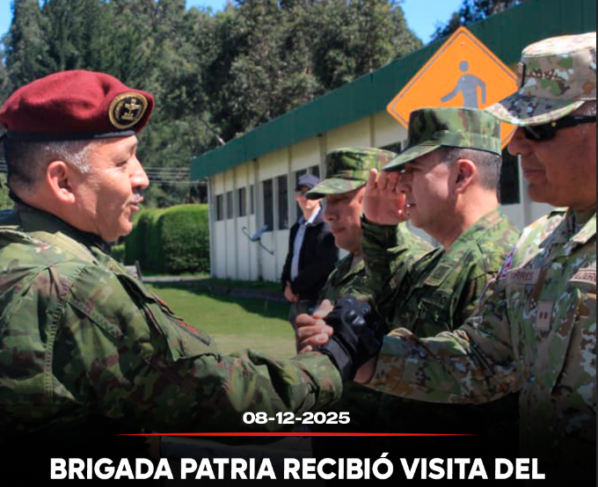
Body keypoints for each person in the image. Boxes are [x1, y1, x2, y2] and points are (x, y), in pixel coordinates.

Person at [0, 70, 347, 460]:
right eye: (122, 162)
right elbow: (227, 404)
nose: (142, 178)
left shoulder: (16, 244)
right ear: (62, 182)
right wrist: (336, 358)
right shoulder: (73, 287)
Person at [307, 32, 597, 481]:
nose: (516, 146)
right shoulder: (540, 243)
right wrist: (365, 353)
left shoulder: (506, 251)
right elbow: (485, 359)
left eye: (541, 127)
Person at [298, 108, 521, 440]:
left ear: (461, 176)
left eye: (413, 170)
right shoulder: (446, 259)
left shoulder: (492, 263)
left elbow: (481, 379)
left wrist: (362, 356)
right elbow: (390, 305)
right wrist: (379, 227)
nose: (401, 184)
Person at [301, 147, 431, 431]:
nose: (327, 214)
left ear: (381, 194)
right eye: (326, 202)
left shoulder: (415, 266)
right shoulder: (343, 268)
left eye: (340, 199)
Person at [281, 173, 338, 327]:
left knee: (315, 342)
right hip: (297, 300)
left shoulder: (326, 226)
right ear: (296, 197)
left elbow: (323, 265)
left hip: (316, 301)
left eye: (310, 192)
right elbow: (291, 258)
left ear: (320, 197)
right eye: (301, 192)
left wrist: (294, 287)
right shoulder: (296, 228)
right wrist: (285, 286)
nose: (305, 197)